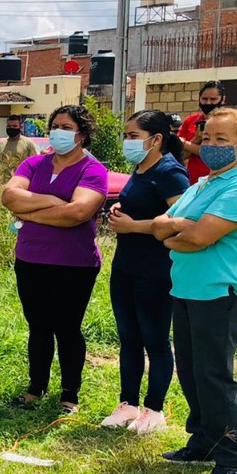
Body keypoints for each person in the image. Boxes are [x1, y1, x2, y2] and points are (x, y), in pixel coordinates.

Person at [153, 107, 237, 474]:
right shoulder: (204, 184)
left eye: (223, 139)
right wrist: (177, 229)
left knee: (214, 374)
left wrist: (178, 231)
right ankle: (203, 441)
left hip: (221, 293)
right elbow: (163, 226)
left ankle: (234, 460)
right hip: (188, 288)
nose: (211, 146)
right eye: (207, 138)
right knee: (189, 369)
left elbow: (198, 237)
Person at [1, 104, 108, 415]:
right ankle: (36, 388)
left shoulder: (92, 170)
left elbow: (78, 213)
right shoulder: (34, 164)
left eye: (66, 127)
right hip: (31, 259)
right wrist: (53, 202)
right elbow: (9, 197)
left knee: (67, 327)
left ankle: (69, 394)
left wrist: (30, 212)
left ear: (82, 135)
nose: (58, 132)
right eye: (55, 125)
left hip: (74, 264)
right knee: (38, 326)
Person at [102, 111, 190, 434]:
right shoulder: (141, 168)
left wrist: (133, 226)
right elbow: (142, 206)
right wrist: (119, 211)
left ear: (155, 140)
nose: (127, 142)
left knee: (155, 339)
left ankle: (154, 409)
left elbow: (179, 222)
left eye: (133, 135)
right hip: (125, 266)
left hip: (155, 270)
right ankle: (128, 405)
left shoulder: (170, 172)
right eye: (125, 135)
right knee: (129, 338)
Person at [177, 81, 226, 186]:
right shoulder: (191, 121)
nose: (208, 103)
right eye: (204, 99)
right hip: (193, 181)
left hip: (219, 181)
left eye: (213, 99)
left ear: (222, 99)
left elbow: (212, 153)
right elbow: (180, 157)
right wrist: (196, 139)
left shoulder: (227, 122)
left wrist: (184, 143)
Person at [0, 114, 37, 182]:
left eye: (14, 126)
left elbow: (35, 165)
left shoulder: (28, 144)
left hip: (20, 184)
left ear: (20, 127)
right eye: (9, 126)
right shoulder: (1, 144)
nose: (11, 128)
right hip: (2, 184)